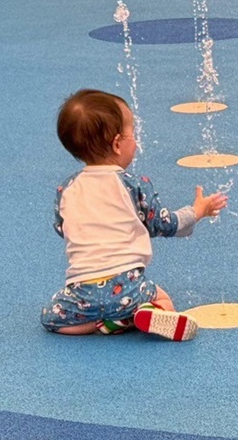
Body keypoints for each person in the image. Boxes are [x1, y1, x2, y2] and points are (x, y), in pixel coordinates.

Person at [41, 89, 227, 341]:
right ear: (118, 144)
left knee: (50, 320)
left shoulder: (66, 189)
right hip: (129, 285)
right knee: (162, 297)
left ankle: (101, 325)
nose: (136, 141)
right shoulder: (133, 185)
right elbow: (165, 224)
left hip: (82, 291)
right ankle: (144, 313)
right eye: (133, 134)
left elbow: (61, 228)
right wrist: (197, 211)